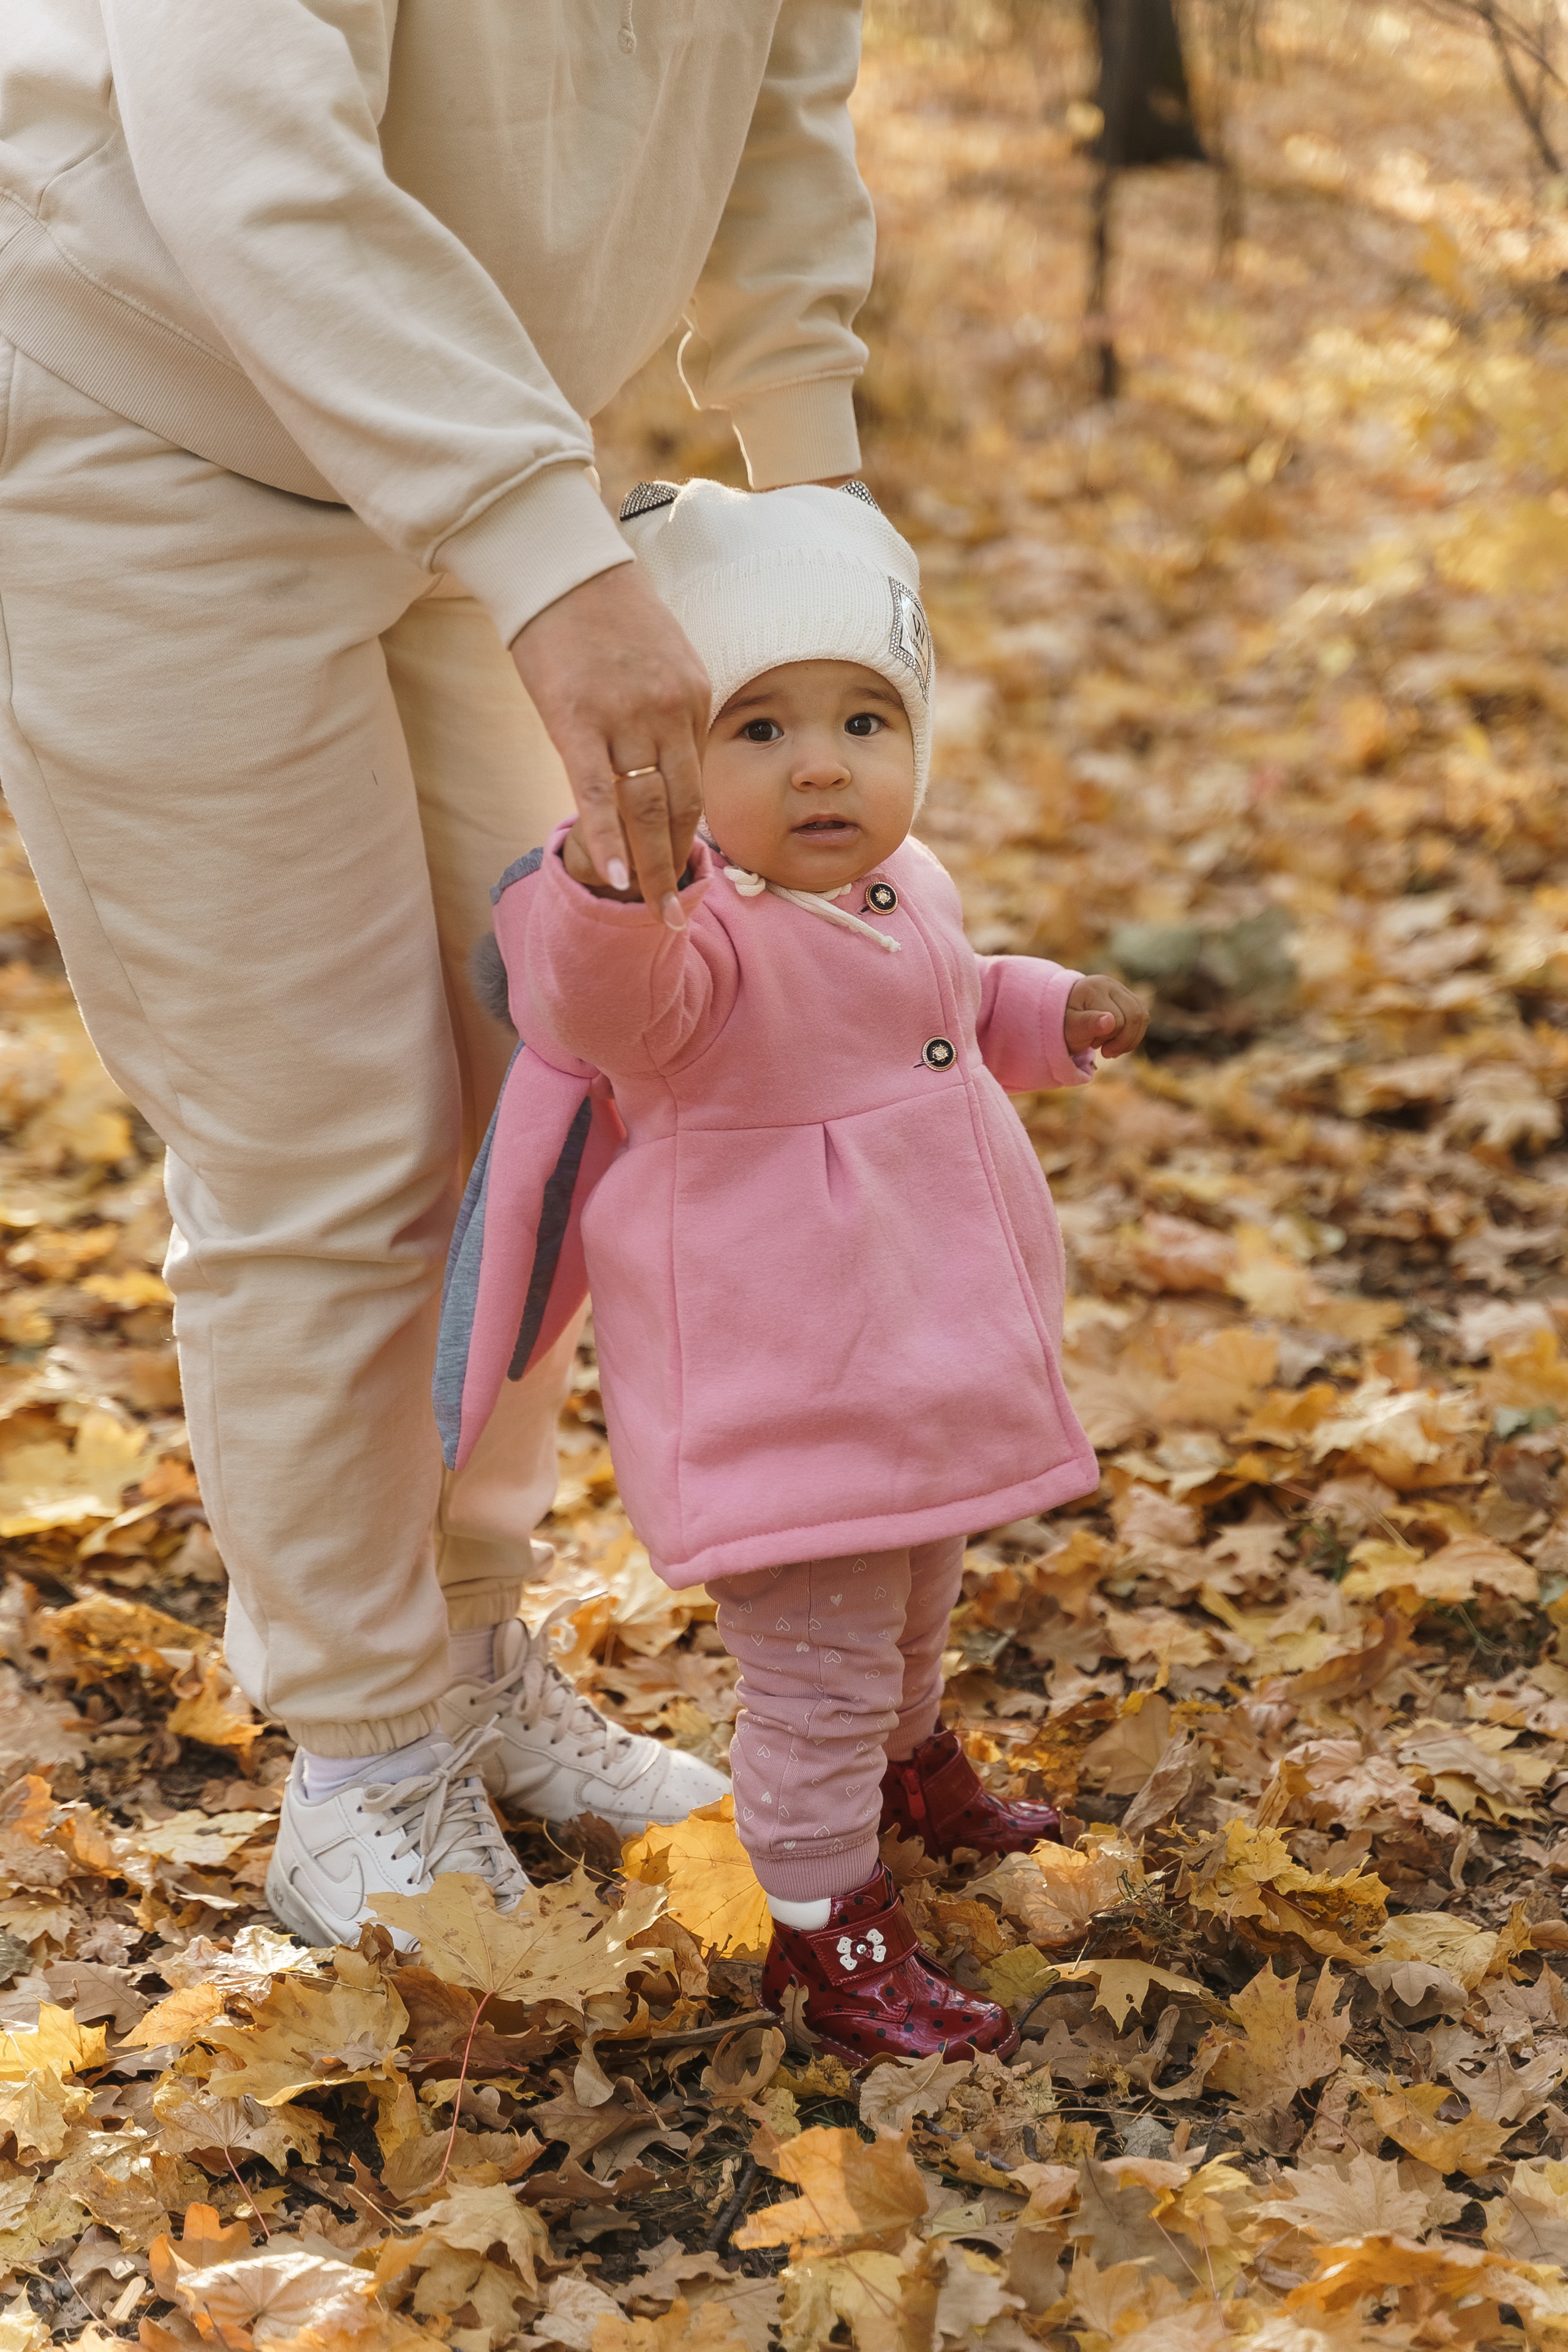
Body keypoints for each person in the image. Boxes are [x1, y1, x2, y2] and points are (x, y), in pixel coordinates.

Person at [0, 0, 881, 1943]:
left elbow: (785, 114)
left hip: (469, 446)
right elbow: (250, 153)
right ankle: (366, 1753)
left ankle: (471, 1655)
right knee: (328, 1134)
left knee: (548, 1085)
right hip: (142, 427)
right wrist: (549, 559)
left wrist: (821, 500)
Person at [435, 478, 1148, 2062]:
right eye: (757, 729)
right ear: (674, 765)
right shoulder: (683, 938)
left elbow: (950, 1004)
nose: (820, 763)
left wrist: (1047, 1015)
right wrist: (617, 873)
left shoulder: (907, 887)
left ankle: (909, 1762)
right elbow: (593, 1009)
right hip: (792, 1381)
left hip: (922, 1352)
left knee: (911, 1602)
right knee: (816, 1666)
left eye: (863, 722)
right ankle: (825, 1923)